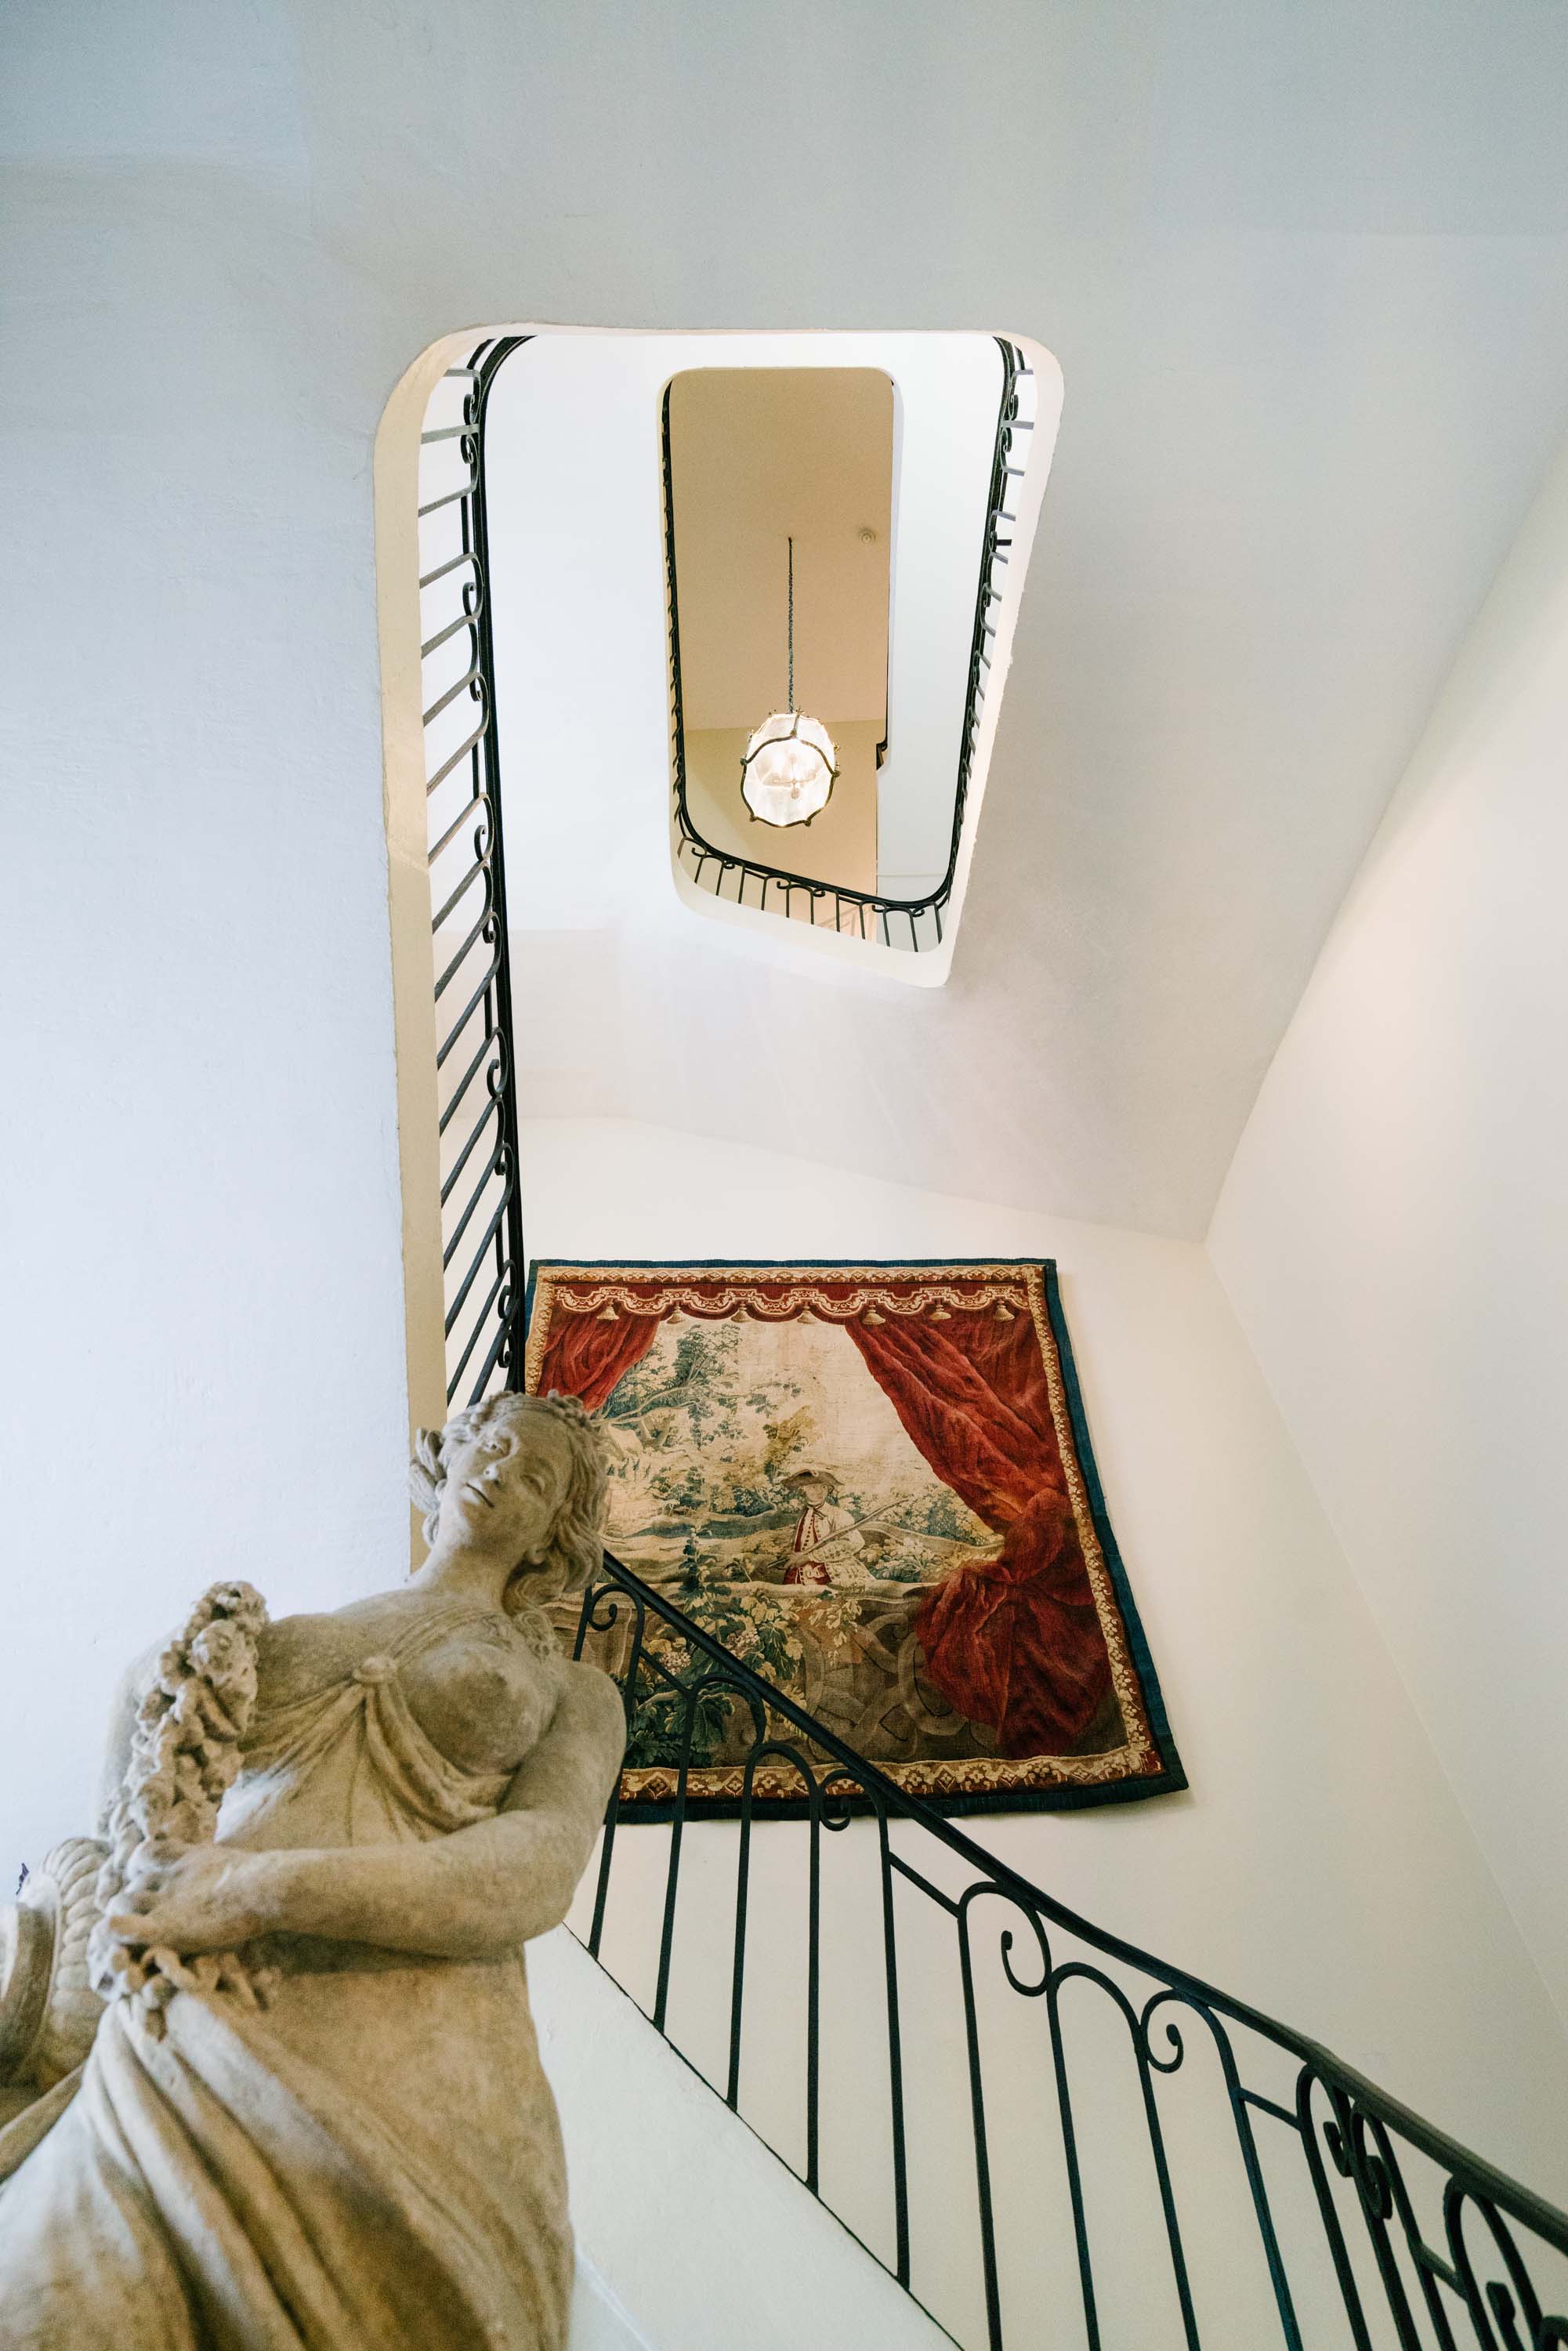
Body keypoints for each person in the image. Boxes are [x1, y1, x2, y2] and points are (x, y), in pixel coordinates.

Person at [0, 1391, 626, 2351]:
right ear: (449, 1461)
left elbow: (537, 1865)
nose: (502, 1469)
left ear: (553, 1536)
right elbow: (144, 1705)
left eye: (536, 1476)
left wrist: (250, 1889)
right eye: (490, 1446)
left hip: (409, 2053)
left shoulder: (575, 1691)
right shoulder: (288, 1628)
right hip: (198, 2007)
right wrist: (147, 1884)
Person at [780, 1469, 869, 1588]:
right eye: (813, 1487)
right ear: (803, 1489)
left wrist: (811, 1557)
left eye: (824, 1487)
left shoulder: (838, 1514)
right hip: (798, 1569)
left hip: (830, 1570)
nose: (819, 1491)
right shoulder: (804, 1514)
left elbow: (854, 1542)